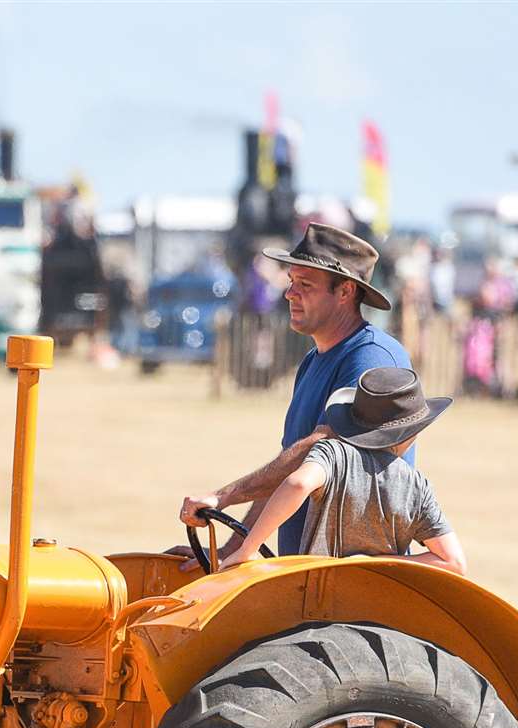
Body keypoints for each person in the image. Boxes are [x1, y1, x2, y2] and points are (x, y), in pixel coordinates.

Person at [177, 222, 413, 561]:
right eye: (291, 282)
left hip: (352, 577)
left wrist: (225, 496)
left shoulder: (373, 358)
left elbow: (320, 448)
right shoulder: (312, 361)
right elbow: (288, 463)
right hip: (306, 571)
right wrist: (230, 550)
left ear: (345, 292)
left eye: (305, 284)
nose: (290, 293)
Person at [220, 367, 465, 576]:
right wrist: (372, 563)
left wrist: (248, 549)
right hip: (382, 605)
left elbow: (297, 484)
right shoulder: (416, 486)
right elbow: (453, 562)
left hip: (317, 596)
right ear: (411, 433)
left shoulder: (332, 453)